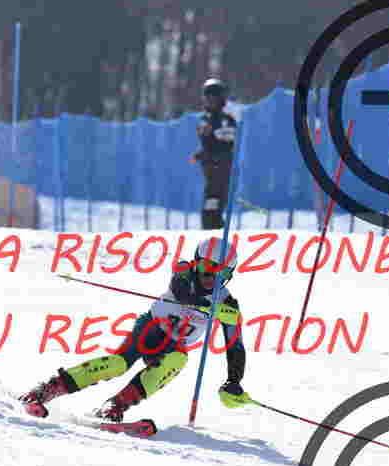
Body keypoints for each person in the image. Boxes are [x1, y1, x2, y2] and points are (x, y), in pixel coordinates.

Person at [19, 237, 251, 423]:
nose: (212, 278)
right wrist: (209, 306)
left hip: (173, 346)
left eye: (222, 274)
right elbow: (181, 292)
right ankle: (47, 389)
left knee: (179, 359)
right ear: (196, 262)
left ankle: (115, 406)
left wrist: (234, 381)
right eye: (207, 268)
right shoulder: (184, 271)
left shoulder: (228, 304)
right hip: (151, 328)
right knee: (117, 364)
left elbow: (236, 346)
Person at [191, 78, 237, 230]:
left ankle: (216, 237)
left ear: (221, 99)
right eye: (207, 97)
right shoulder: (204, 119)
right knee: (210, 210)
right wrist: (202, 154)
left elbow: (225, 145)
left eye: (214, 98)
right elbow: (209, 143)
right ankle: (214, 235)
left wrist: (209, 153)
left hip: (221, 171)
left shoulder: (226, 120)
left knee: (212, 209)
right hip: (210, 172)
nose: (210, 101)